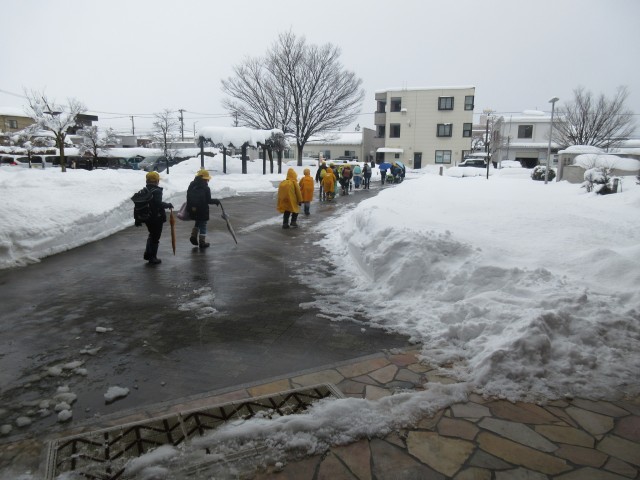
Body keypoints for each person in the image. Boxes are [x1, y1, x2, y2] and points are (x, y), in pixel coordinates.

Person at [140, 171, 173, 264]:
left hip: (147, 217)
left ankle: (147, 254)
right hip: (156, 218)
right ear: (156, 181)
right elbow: (158, 204)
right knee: (155, 237)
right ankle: (152, 257)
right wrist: (168, 205)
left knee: (152, 235)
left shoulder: (145, 190)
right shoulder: (157, 191)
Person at [186, 169, 220, 249]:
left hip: (193, 209)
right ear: (205, 179)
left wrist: (190, 207)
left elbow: (188, 196)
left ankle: (193, 235)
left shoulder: (192, 185)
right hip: (202, 210)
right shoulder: (206, 188)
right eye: (207, 179)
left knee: (198, 221)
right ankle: (202, 242)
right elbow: (208, 200)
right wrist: (216, 201)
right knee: (203, 225)